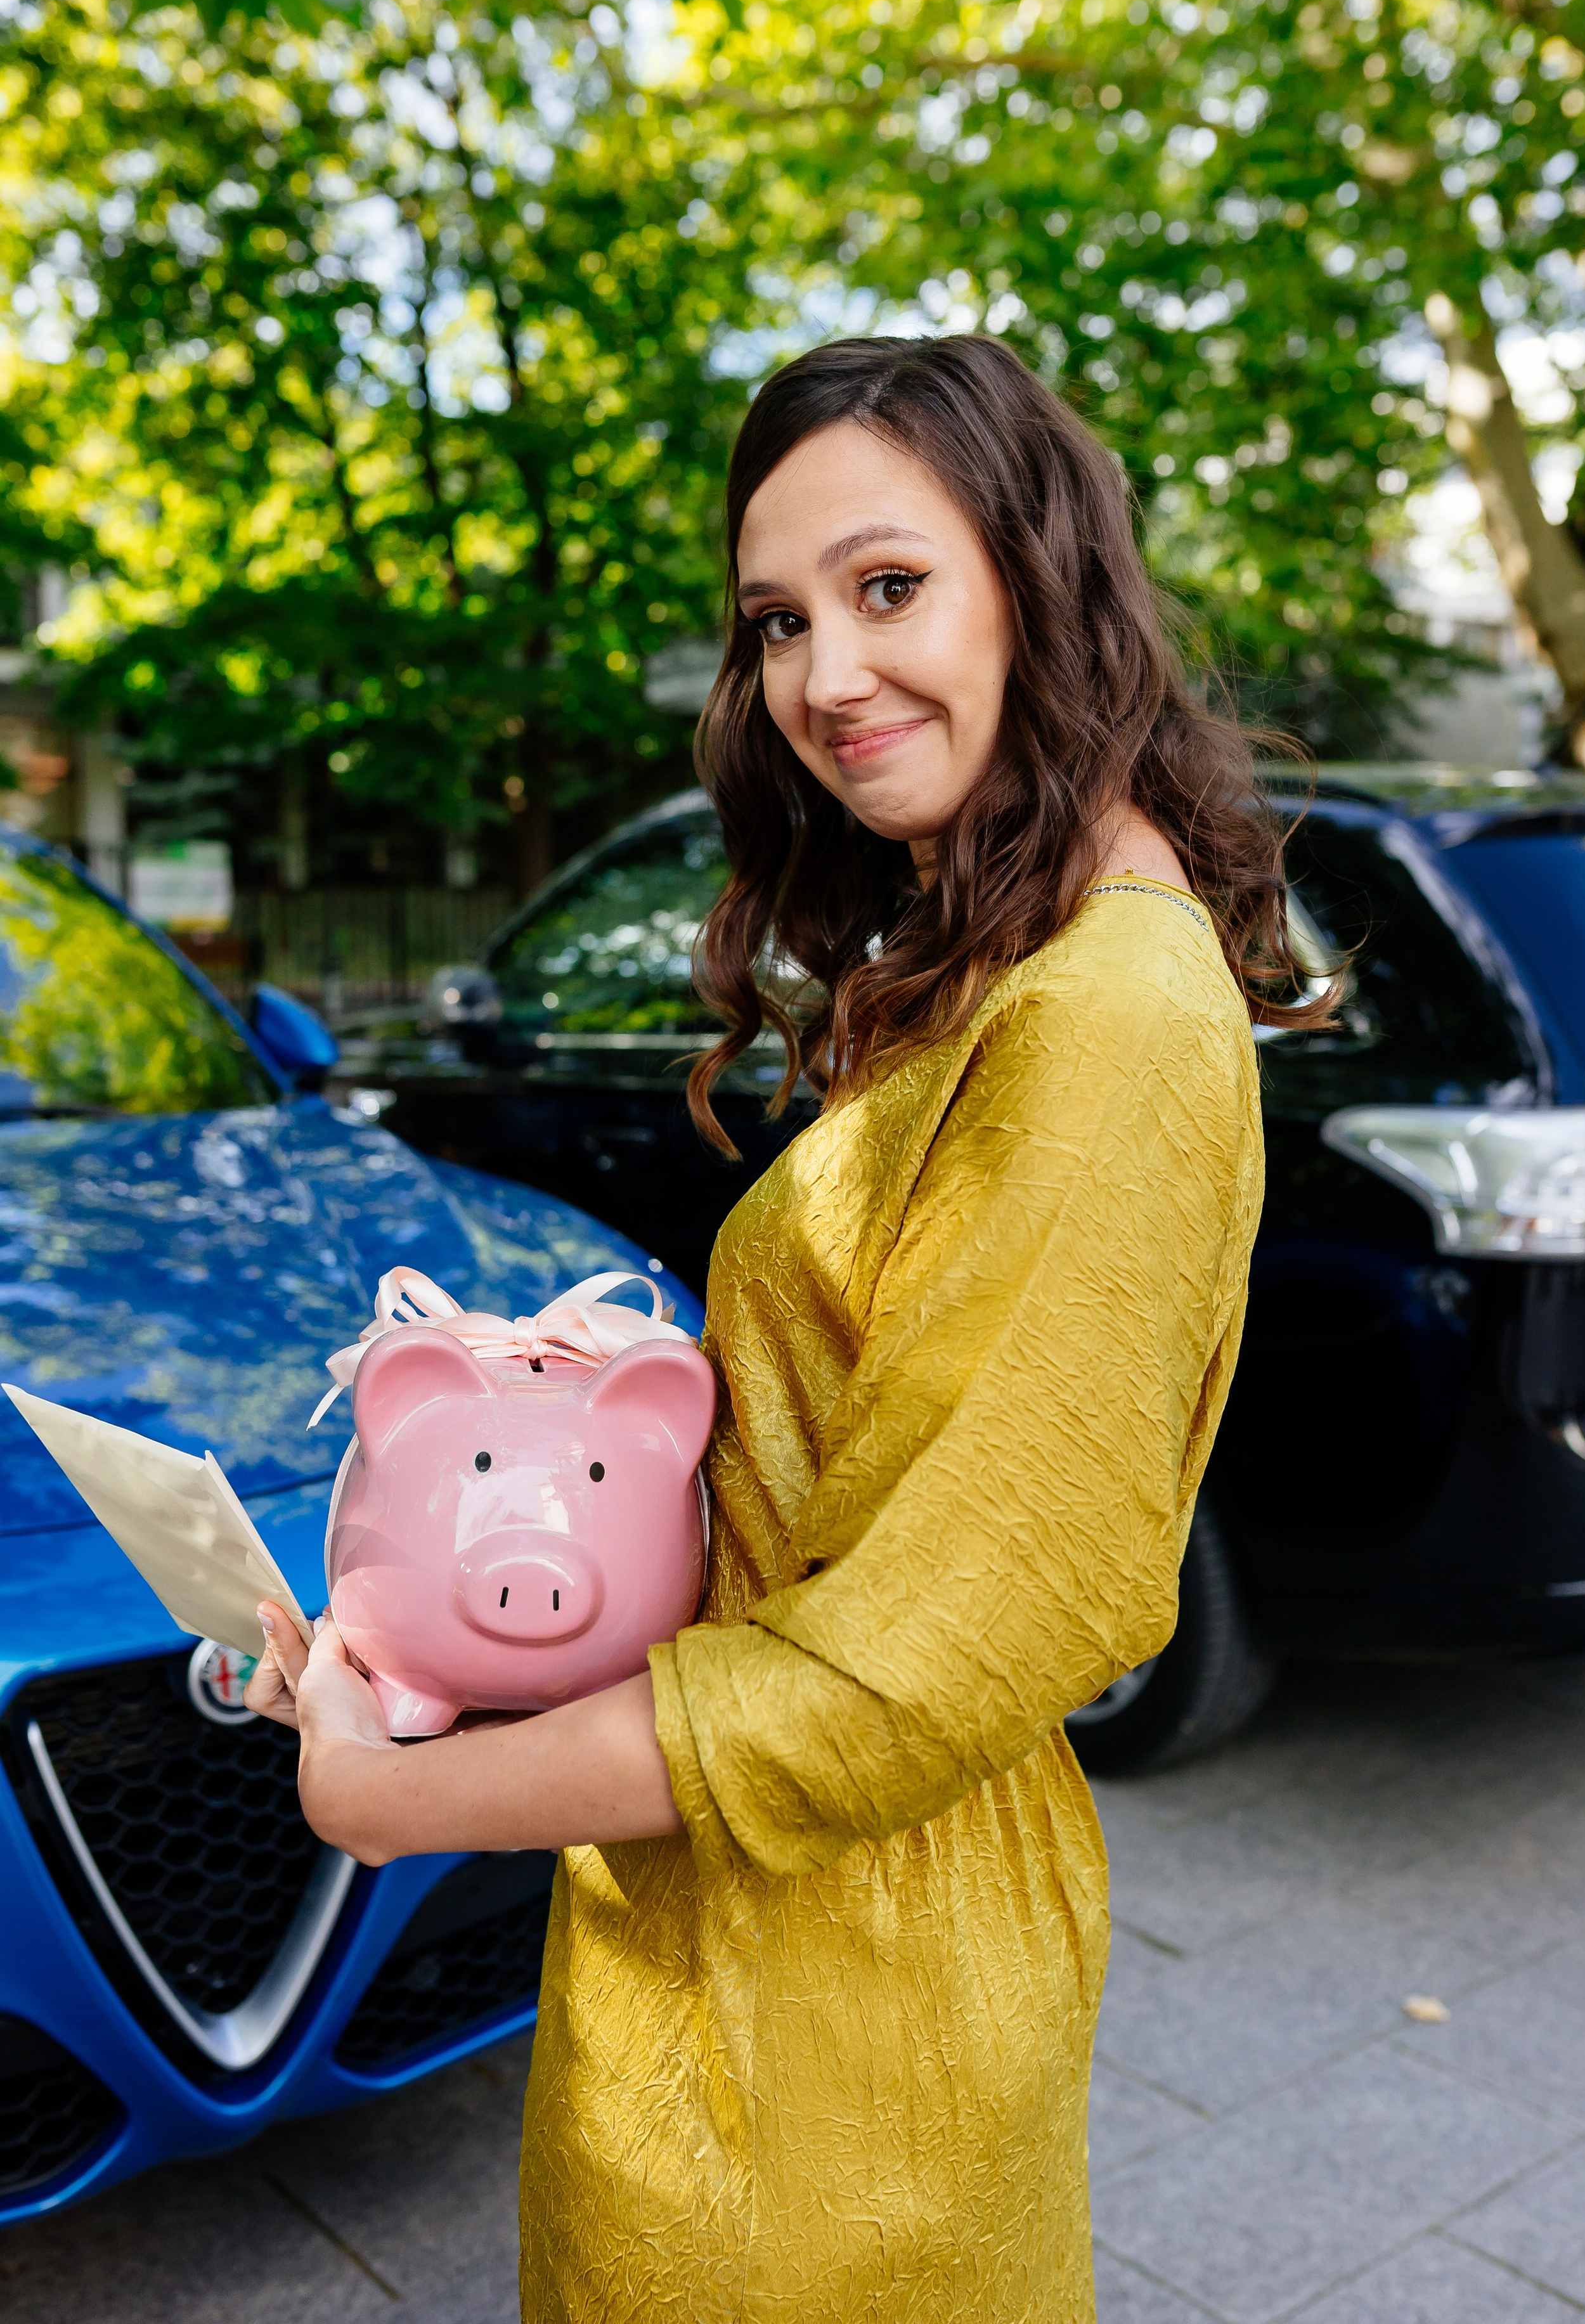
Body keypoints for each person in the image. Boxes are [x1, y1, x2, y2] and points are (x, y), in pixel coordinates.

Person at [250, 333, 1329, 2323]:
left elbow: (903, 1675)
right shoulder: (1004, 946)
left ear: (1041, 575)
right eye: (777, 620)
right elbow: (834, 1486)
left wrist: (387, 1803)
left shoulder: (1106, 1017)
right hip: (746, 1959)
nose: (825, 677)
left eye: (889, 587)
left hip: (839, 2030)